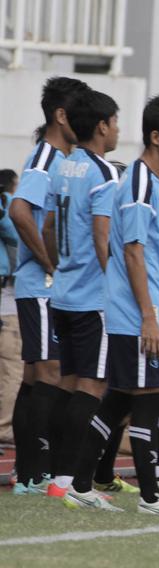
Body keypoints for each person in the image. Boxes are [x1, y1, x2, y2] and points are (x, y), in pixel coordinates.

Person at [63, 93, 159, 516]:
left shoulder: (150, 182)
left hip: (138, 312)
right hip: (138, 314)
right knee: (149, 400)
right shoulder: (143, 182)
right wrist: (148, 316)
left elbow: (142, 241)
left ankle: (80, 485)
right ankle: (150, 497)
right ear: (156, 136)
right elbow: (130, 253)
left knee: (120, 403)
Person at [47, 89, 135, 497]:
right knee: (92, 386)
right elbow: (104, 238)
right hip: (93, 298)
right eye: (116, 122)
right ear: (102, 126)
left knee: (66, 383)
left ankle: (54, 475)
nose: (118, 130)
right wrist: (120, 287)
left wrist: (61, 265)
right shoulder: (105, 173)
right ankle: (68, 478)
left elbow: (49, 228)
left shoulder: (64, 167)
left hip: (63, 291)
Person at [8, 76, 91, 496]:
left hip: (48, 286)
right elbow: (20, 211)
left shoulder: (66, 159)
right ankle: (35, 473)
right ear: (62, 115)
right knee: (51, 372)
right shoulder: (45, 158)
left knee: (35, 376)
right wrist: (50, 264)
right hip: (40, 283)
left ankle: (28, 472)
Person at [0, 169, 21, 447]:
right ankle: (5, 427)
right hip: (6, 301)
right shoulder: (6, 204)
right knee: (13, 366)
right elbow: (17, 233)